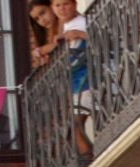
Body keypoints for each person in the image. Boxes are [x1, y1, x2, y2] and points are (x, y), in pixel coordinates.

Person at [52, 0, 92, 156]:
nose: (62, 8)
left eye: (65, 4)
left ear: (75, 4)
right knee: (74, 127)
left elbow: (105, 39)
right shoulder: (67, 25)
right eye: (57, 5)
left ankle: (90, 162)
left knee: (75, 126)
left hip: (88, 80)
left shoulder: (83, 22)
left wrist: (81, 34)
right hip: (77, 82)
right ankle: (90, 161)